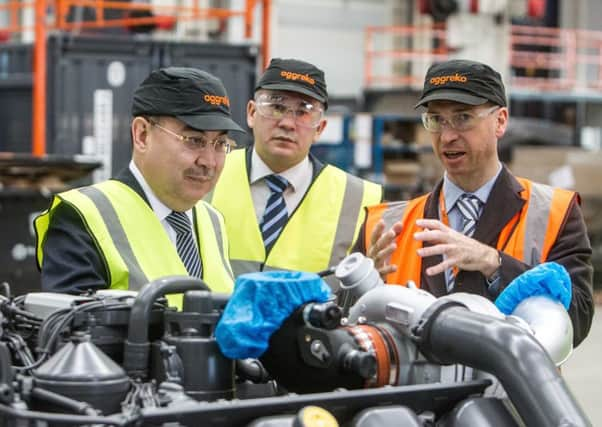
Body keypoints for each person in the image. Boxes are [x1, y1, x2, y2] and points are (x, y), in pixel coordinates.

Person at [355, 59, 594, 347]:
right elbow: (350, 326)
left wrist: (494, 264)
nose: (447, 136)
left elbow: (577, 320)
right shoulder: (385, 227)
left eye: (463, 117)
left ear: (501, 121)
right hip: (417, 391)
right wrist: (364, 288)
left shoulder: (555, 212)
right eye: (436, 120)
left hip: (508, 391)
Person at [34, 67, 245, 303]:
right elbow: (70, 331)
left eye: (220, 143)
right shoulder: (84, 216)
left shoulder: (212, 221)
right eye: (194, 141)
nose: (208, 161)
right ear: (142, 134)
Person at [209, 58, 382, 288]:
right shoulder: (207, 173)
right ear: (251, 113)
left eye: (303, 112)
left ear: (319, 128)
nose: (288, 124)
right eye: (277, 107)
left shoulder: (360, 199)